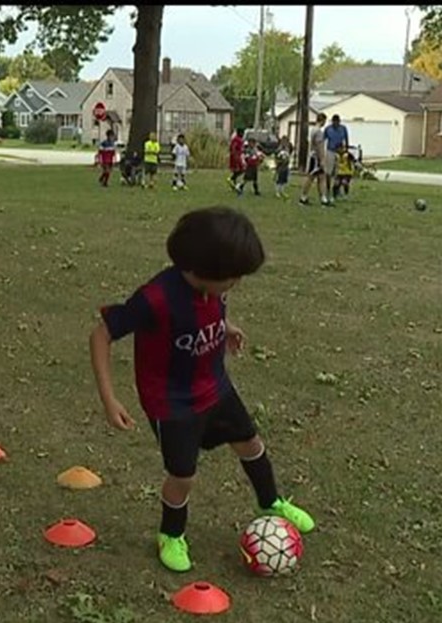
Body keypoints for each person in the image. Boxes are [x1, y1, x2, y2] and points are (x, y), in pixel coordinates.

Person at [88, 206, 315, 573]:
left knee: (251, 444)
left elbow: (209, 310)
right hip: (172, 404)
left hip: (216, 386)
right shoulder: (155, 298)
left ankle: (271, 502)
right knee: (183, 476)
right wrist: (109, 398)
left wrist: (226, 327)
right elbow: (101, 335)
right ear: (201, 269)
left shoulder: (214, 284)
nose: (235, 285)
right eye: (231, 278)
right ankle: (171, 534)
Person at [298, 112, 330, 207]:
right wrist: (322, 159)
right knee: (311, 177)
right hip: (316, 158)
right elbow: (319, 146)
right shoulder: (319, 132)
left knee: (321, 177)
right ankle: (303, 197)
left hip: (312, 156)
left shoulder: (313, 130)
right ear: (323, 120)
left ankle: (323, 198)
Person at [322, 114, 350, 203]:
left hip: (340, 151)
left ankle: (337, 191)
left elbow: (346, 139)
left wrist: (346, 149)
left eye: (337, 122)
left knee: (338, 173)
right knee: (328, 172)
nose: (336, 124)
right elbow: (323, 139)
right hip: (330, 151)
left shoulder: (343, 129)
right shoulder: (328, 129)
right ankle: (327, 189)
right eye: (334, 122)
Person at [226, 127, 245, 195]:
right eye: (243, 133)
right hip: (236, 157)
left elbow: (231, 148)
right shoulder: (239, 140)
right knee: (241, 170)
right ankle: (230, 179)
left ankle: (233, 185)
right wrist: (236, 156)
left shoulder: (234, 139)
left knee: (236, 171)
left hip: (233, 156)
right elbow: (234, 148)